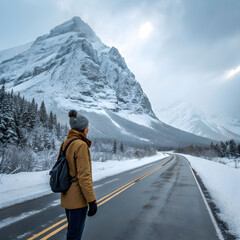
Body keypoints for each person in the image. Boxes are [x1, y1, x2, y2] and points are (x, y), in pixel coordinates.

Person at [60, 109, 97, 240]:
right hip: (77, 199)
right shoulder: (81, 145)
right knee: (75, 235)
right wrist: (92, 201)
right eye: (87, 126)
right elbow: (84, 177)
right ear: (82, 129)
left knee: (71, 232)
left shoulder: (66, 143)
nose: (88, 128)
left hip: (66, 195)